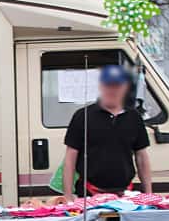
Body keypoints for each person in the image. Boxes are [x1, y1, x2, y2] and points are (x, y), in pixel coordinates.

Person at [62, 64, 153, 199]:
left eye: (117, 85)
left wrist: (149, 194)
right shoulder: (83, 116)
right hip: (89, 195)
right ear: (101, 87)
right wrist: (68, 197)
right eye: (108, 85)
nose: (112, 90)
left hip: (125, 196)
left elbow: (141, 157)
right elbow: (70, 158)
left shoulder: (134, 117)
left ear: (125, 88)